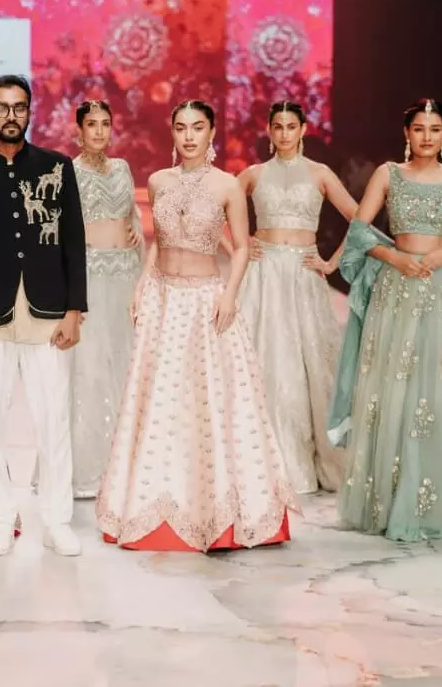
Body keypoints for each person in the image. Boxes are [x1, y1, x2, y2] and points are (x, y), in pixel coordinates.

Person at [97, 99, 296, 552]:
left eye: (198, 127)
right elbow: (159, 242)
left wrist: (229, 295)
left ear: (211, 132)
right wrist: (141, 285)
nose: (189, 136)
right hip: (163, 300)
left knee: (210, 404)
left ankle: (217, 516)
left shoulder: (227, 185)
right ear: (172, 133)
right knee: (161, 404)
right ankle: (155, 509)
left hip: (206, 300)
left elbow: (241, 248)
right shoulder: (159, 181)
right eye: (181, 128)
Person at [328, 99, 442, 542]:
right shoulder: (388, 174)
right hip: (397, 287)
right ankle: (391, 500)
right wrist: (394, 257)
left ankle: (436, 503)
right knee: (395, 388)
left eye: (435, 129)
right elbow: (359, 231)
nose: (427, 137)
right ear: (405, 133)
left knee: (440, 388)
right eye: (419, 129)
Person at [0, 74, 86, 557]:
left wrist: (74, 310)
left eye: (19, 107)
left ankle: (57, 520)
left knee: (54, 421)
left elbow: (74, 243)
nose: (11, 115)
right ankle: (1, 519)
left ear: (29, 111)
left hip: (49, 315)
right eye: (1, 107)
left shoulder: (56, 167)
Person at [237, 101, 356, 494]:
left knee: (310, 366)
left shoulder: (320, 173)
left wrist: (331, 262)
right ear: (269, 130)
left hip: (304, 275)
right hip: (264, 275)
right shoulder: (253, 174)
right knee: (268, 361)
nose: (284, 133)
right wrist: (241, 245)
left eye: (291, 126)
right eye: (278, 126)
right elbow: (216, 211)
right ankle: (267, 463)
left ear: (303, 129)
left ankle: (312, 460)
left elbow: (360, 218)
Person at [68, 99, 143, 498]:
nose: (99, 131)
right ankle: (89, 470)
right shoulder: (68, 172)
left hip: (125, 273)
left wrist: (135, 232)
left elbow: (132, 217)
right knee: (91, 368)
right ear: (78, 131)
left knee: (128, 364)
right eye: (91, 124)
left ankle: (128, 465)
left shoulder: (123, 168)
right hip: (91, 276)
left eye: (105, 124)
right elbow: (62, 229)